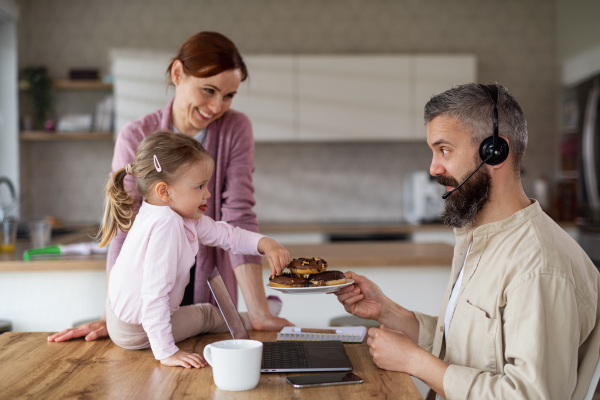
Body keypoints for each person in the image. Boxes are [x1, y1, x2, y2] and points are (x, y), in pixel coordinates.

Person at [335, 83, 600, 399]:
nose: (434, 168)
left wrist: (415, 361)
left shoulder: (539, 266)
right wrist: (387, 311)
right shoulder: (480, 237)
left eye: (444, 150)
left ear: (494, 151)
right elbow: (468, 346)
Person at [48, 31, 291, 344]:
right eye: (209, 90)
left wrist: (259, 312)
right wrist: (115, 315)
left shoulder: (236, 129)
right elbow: (124, 228)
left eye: (229, 95)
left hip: (210, 286)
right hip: (152, 295)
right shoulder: (136, 135)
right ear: (178, 74)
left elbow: (236, 217)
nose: (217, 106)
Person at [99, 130, 289, 368]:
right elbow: (154, 295)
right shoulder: (166, 225)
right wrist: (167, 352)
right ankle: (256, 318)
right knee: (206, 315)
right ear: (164, 191)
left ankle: (257, 316)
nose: (207, 193)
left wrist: (264, 243)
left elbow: (225, 234)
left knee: (205, 312)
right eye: (199, 186)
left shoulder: (166, 213)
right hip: (136, 330)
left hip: (123, 316)